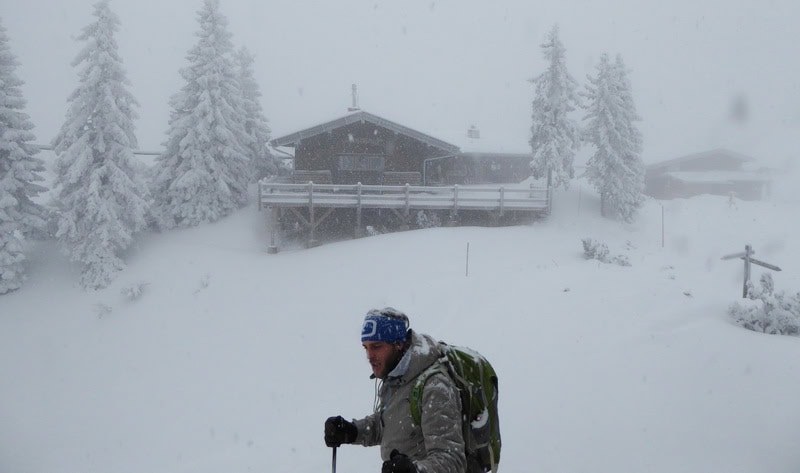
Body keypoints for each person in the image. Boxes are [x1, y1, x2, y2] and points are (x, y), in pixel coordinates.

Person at [324, 307, 469, 473]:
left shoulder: (435, 387)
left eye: (376, 346)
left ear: (398, 344)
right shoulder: (397, 378)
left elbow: (452, 460)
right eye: (366, 347)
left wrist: (415, 470)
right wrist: (352, 431)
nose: (369, 356)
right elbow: (389, 424)